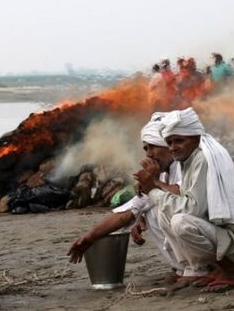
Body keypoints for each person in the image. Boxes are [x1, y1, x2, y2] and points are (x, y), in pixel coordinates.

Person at [137, 108, 234, 291]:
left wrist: (152, 190)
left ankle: (232, 273)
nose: (173, 147)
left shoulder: (203, 159)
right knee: (162, 213)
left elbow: (192, 208)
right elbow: (181, 193)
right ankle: (199, 271)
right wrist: (153, 185)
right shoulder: (189, 160)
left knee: (181, 221)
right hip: (228, 243)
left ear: (196, 138)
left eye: (179, 141)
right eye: (170, 142)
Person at [67, 114, 184, 280]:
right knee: (147, 212)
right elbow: (128, 212)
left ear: (167, 145)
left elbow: (187, 199)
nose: (149, 155)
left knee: (159, 211)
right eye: (145, 149)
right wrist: (90, 237)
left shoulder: (186, 164)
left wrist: (153, 182)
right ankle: (183, 268)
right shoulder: (165, 173)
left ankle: (198, 268)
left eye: (152, 147)